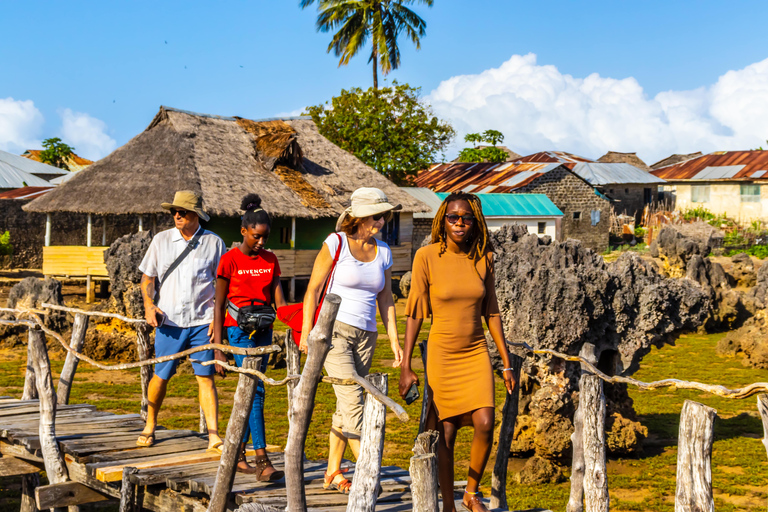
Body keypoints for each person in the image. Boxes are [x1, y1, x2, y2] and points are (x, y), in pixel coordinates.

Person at [398, 192, 516, 512]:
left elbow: (492, 312)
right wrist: (406, 365)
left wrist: (506, 363)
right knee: (446, 432)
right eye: (453, 217)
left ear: (475, 221)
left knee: (486, 421)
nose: (459, 223)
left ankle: (471, 492)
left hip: (476, 350)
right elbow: (415, 314)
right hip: (442, 353)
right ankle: (448, 504)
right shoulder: (426, 256)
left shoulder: (484, 257)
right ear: (443, 220)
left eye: (466, 218)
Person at [301, 187, 404, 494]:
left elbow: (386, 299)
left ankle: (332, 471)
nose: (382, 221)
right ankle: (368, 475)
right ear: (359, 217)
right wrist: (309, 333)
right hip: (334, 332)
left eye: (384, 215)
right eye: (376, 215)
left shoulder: (384, 251)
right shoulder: (336, 243)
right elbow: (313, 290)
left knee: (342, 405)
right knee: (354, 406)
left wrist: (394, 341)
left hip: (366, 335)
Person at [137, 190, 227, 452]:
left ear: (196, 215)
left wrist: (216, 319)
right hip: (170, 321)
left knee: (205, 378)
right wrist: (149, 306)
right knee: (161, 376)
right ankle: (149, 425)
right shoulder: (161, 240)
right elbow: (147, 278)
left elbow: (222, 284)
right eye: (173, 211)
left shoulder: (214, 243)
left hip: (202, 321)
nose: (177, 215)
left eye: (183, 211)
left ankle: (213, 435)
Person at [213, 193, 286, 480]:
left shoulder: (270, 260)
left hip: (264, 332)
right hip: (238, 332)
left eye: (265, 238)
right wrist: (219, 350)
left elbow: (280, 302)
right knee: (256, 391)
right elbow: (218, 306)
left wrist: (299, 325)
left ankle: (237, 453)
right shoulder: (229, 261)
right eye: (256, 237)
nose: (261, 243)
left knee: (250, 391)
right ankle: (262, 459)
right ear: (244, 231)